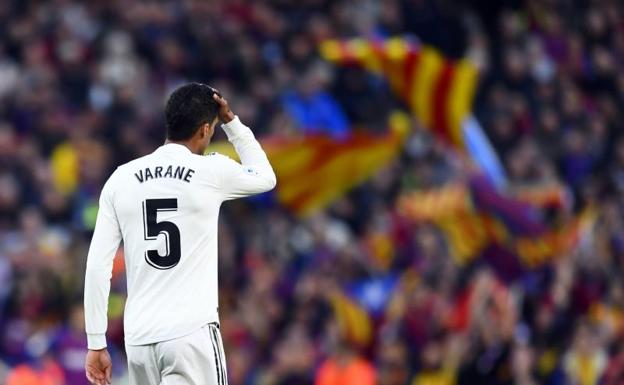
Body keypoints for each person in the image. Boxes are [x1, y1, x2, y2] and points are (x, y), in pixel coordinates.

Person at [82, 83, 277, 385]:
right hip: (191, 334)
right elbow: (265, 177)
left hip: (139, 340)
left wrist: (96, 341)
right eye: (212, 129)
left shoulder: (121, 179)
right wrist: (232, 123)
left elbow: (97, 267)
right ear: (204, 130)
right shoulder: (210, 171)